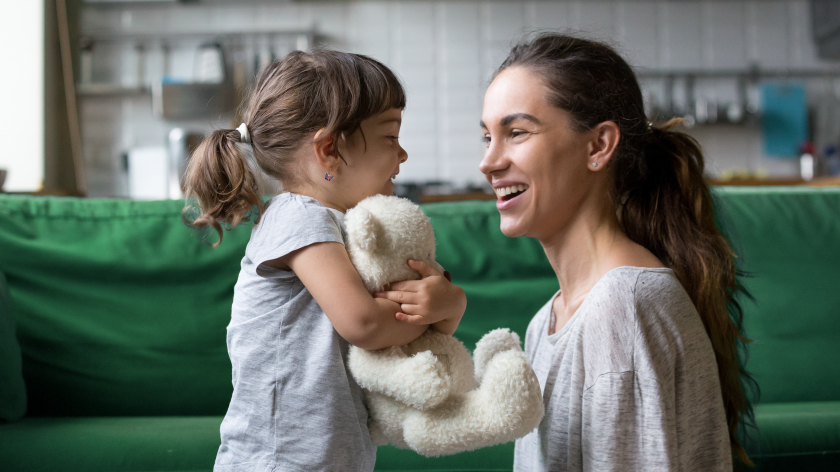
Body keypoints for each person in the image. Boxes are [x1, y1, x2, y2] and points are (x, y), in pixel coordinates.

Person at [479, 33, 756, 471]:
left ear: (598, 146)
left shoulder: (623, 307)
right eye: (487, 137)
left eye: (516, 132)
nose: (489, 162)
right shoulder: (545, 323)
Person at [183, 50, 467, 472]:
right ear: (330, 149)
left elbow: (398, 332)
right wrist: (440, 308)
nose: (403, 155)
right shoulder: (298, 217)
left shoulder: (344, 226)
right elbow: (366, 324)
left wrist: (444, 305)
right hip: (275, 462)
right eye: (391, 136)